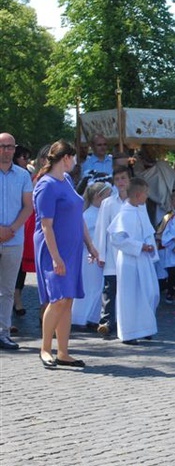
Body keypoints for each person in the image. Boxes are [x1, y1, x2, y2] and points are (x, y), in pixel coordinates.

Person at [34, 140, 99, 368]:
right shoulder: (46, 185)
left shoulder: (67, 180)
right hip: (54, 248)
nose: (75, 162)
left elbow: (77, 216)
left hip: (72, 248)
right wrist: (55, 257)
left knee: (67, 299)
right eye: (74, 157)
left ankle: (63, 351)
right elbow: (46, 225)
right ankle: (44, 349)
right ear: (66, 158)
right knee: (58, 298)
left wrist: (90, 245)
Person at [107, 177, 160, 345]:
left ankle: (145, 327)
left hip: (143, 260)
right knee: (130, 296)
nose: (147, 196)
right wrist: (139, 246)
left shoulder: (140, 210)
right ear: (138, 194)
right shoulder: (124, 213)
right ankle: (129, 332)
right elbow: (116, 238)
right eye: (146, 193)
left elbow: (147, 233)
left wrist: (150, 247)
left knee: (150, 292)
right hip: (130, 260)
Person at [0, 133, 34, 350]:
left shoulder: (23, 175)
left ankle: (3, 332)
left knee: (8, 289)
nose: (6, 150)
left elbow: (28, 207)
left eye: (10, 147)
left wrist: (11, 229)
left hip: (14, 239)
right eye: (2, 146)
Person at [94, 165, 131, 336]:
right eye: (117, 179)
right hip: (112, 253)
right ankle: (106, 321)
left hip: (131, 253)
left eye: (124, 178)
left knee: (129, 288)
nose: (121, 182)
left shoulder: (136, 202)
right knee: (110, 288)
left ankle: (128, 321)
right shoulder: (108, 203)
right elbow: (102, 228)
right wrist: (99, 253)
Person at [71, 183, 111, 328]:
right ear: (97, 197)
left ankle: (93, 316)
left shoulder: (102, 213)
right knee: (91, 287)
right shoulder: (88, 215)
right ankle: (82, 316)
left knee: (98, 287)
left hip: (98, 254)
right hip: (89, 255)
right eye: (107, 196)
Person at [11, 144, 33, 319]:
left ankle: (17, 298)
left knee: (20, 266)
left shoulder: (26, 176)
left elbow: (28, 204)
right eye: (23, 157)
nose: (26, 160)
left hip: (20, 226)